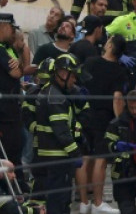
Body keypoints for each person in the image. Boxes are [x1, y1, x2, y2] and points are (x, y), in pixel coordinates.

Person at [80, 35, 129, 214]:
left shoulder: (90, 62)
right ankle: (98, 202)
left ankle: (84, 202)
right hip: (103, 117)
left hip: (84, 113)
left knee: (85, 158)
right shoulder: (119, 70)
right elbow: (117, 98)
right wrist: (121, 122)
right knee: (100, 159)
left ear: (109, 45)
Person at [33, 54, 87, 214]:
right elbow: (62, 131)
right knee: (59, 201)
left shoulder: (50, 93)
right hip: (57, 157)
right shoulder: (56, 98)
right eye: (73, 76)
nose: (74, 81)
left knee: (57, 199)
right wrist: (76, 153)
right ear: (63, 74)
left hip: (49, 156)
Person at [0, 13, 25, 189]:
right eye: (12, 29)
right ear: (4, 27)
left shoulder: (5, 47)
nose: (14, 33)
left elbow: (21, 69)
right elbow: (16, 73)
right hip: (1, 114)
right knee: (7, 155)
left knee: (15, 152)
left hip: (8, 111)